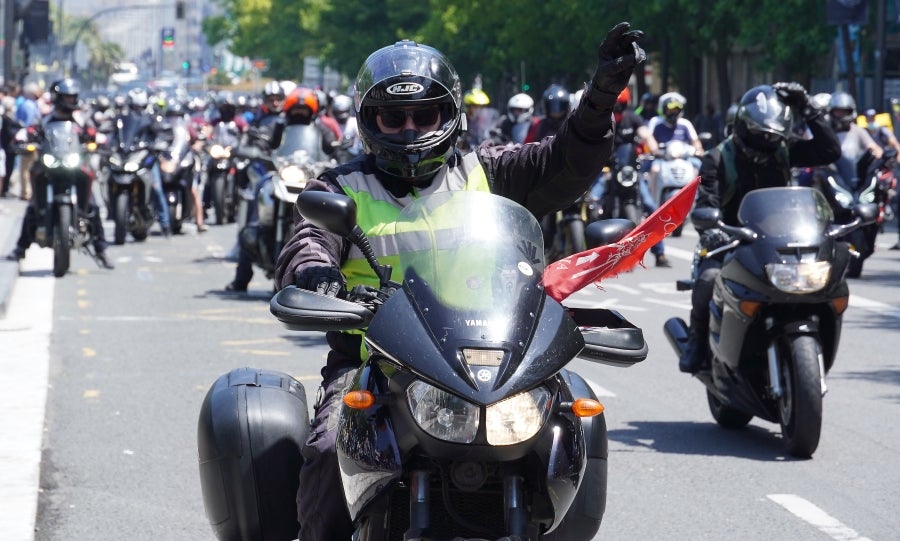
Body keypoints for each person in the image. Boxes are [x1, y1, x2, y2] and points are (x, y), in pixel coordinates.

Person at [272, 24, 645, 540]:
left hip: (495, 361)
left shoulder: (488, 169)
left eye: (423, 114)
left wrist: (600, 97)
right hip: (378, 366)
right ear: (367, 120)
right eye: (392, 116)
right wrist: (321, 280)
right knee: (327, 448)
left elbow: (566, 161)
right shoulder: (340, 186)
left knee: (564, 428)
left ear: (449, 116)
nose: (408, 128)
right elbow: (307, 243)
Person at [679, 82, 841, 374]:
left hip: (779, 238)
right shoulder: (716, 158)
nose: (767, 141)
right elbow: (705, 202)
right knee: (708, 279)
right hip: (730, 238)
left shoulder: (784, 148)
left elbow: (829, 150)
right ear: (742, 126)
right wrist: (713, 229)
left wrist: (809, 109)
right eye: (760, 134)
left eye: (773, 135)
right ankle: (697, 340)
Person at [225, 86, 337, 293]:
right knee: (255, 210)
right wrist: (258, 144)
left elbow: (334, 148)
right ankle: (242, 277)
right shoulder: (278, 126)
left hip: (308, 179)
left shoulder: (321, 129)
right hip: (283, 175)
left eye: (303, 113)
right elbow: (265, 142)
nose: (299, 117)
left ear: (312, 113)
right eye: (296, 113)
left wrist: (342, 149)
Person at [6, 79, 114, 268]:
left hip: (75, 166)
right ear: (58, 97)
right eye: (67, 96)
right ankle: (20, 248)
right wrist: (23, 140)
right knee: (32, 206)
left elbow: (93, 133)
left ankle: (101, 249)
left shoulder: (81, 119)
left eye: (73, 96)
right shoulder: (46, 118)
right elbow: (31, 130)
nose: (70, 100)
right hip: (50, 164)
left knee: (92, 206)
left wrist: (99, 141)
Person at [645, 91, 704, 267]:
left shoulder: (685, 124)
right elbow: (649, 141)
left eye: (676, 110)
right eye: (670, 110)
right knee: (653, 169)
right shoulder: (656, 123)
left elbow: (696, 142)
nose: (673, 114)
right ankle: (653, 197)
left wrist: (698, 150)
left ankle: (700, 198)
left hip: (684, 159)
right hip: (663, 159)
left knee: (699, 167)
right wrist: (654, 150)